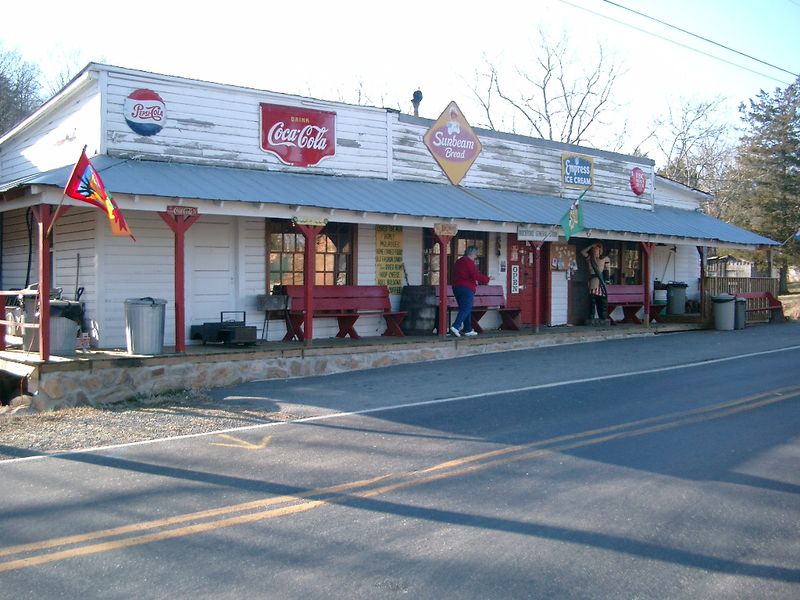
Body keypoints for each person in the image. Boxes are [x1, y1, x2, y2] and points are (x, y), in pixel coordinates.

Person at [450, 246, 490, 337]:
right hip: (466, 288)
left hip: (456, 287)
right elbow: (475, 275)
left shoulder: (459, 262)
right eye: (475, 255)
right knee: (466, 308)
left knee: (465, 308)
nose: (476, 257)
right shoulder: (469, 262)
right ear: (471, 254)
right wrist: (487, 279)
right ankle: (456, 326)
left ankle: (467, 329)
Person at [581, 242, 611, 320]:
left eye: (598, 250)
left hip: (601, 281)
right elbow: (582, 252)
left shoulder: (605, 259)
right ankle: (591, 316)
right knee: (592, 300)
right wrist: (591, 246)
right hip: (593, 281)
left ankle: (602, 317)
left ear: (601, 251)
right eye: (595, 250)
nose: (596, 252)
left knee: (602, 300)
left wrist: (607, 280)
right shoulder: (590, 258)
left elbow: (607, 270)